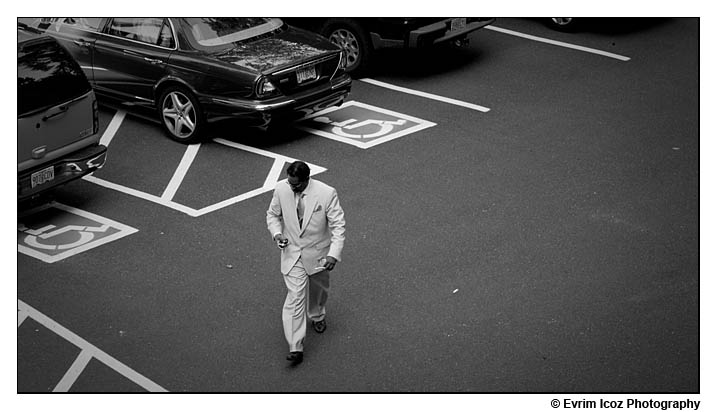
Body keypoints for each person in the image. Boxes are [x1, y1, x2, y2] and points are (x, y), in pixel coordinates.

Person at [266, 161, 346, 365]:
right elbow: (273, 215)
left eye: (296, 185)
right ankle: (295, 346)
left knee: (319, 291)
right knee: (295, 297)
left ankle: (317, 315)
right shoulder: (281, 188)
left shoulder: (326, 193)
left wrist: (333, 254)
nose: (291, 188)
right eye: (289, 183)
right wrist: (277, 235)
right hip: (292, 253)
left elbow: (338, 226)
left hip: (319, 254)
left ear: (306, 179)